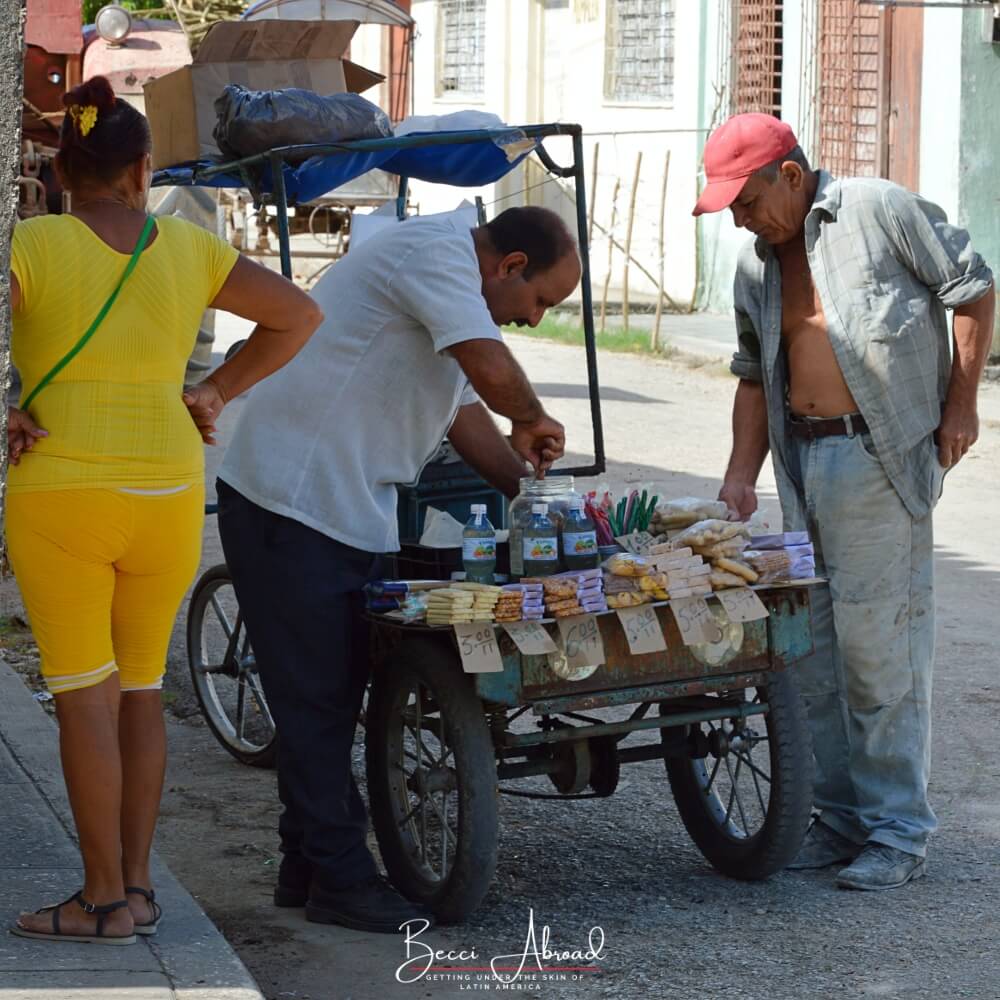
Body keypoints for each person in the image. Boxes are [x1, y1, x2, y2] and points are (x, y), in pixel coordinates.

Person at [7, 76, 322, 944]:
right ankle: (138, 890)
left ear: (59, 169)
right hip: (171, 489)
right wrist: (215, 389)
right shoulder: (188, 249)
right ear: (143, 170)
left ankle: (99, 901)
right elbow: (298, 314)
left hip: (62, 491)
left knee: (83, 696)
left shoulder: (30, 244)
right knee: (139, 689)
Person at [216, 204, 579, 932]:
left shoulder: (450, 284)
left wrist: (528, 491)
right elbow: (487, 365)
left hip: (342, 502)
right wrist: (535, 415)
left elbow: (460, 410)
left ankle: (306, 861)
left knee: (332, 690)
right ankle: (342, 882)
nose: (536, 320)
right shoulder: (435, 256)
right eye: (540, 300)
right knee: (316, 702)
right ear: (508, 266)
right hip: (292, 494)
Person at [694, 113, 995, 891]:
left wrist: (962, 405)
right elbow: (754, 374)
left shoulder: (878, 210)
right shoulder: (756, 267)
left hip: (876, 457)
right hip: (801, 466)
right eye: (728, 205)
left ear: (789, 176)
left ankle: (898, 831)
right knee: (813, 657)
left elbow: (974, 288)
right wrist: (738, 476)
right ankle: (838, 823)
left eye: (747, 198)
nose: (739, 216)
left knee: (880, 656)